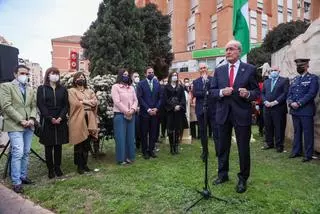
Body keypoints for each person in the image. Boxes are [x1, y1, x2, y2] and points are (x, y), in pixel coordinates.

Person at [210, 40, 260, 193]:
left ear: (239, 51)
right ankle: (222, 174)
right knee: (222, 146)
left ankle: (242, 179)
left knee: (243, 148)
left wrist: (248, 94)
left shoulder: (250, 69)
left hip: (242, 114)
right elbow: (212, 91)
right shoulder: (219, 70)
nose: (228, 52)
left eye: (231, 49)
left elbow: (257, 92)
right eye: (226, 50)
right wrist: (220, 92)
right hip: (223, 114)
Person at [0, 65, 37, 193]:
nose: (25, 76)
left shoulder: (30, 89)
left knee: (26, 152)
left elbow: (33, 106)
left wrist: (32, 118)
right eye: (22, 73)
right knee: (18, 152)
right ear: (15, 74)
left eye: (27, 74)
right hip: (15, 125)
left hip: (29, 125)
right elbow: (6, 106)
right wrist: (21, 120)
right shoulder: (6, 86)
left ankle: (23, 175)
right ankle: (16, 182)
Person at [37, 67, 69, 179]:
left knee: (58, 145)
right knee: (49, 146)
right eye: (52, 73)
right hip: (47, 120)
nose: (55, 75)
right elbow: (41, 105)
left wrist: (60, 117)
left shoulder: (63, 89)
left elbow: (66, 105)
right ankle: (50, 169)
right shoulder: (42, 89)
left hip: (60, 119)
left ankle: (57, 167)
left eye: (56, 73)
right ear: (48, 75)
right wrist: (50, 118)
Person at [287, 58, 319, 162]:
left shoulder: (313, 78)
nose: (299, 68)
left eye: (301, 66)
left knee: (308, 133)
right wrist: (291, 102)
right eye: (297, 66)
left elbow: (311, 93)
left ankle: (308, 154)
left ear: (307, 66)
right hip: (295, 110)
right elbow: (290, 93)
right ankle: (297, 151)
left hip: (306, 110)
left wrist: (299, 103)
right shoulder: (295, 79)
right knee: (297, 132)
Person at [68, 72, 99, 174]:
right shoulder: (71, 91)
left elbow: (95, 102)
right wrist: (88, 102)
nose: (81, 79)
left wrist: (84, 101)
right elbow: (75, 103)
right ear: (75, 79)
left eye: (83, 77)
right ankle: (79, 166)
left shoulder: (89, 90)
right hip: (78, 118)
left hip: (89, 117)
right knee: (79, 142)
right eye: (79, 77)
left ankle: (85, 164)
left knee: (87, 142)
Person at [111, 69, 138, 164]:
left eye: (127, 74)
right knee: (121, 138)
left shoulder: (131, 88)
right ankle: (121, 159)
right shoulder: (115, 87)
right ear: (120, 76)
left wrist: (133, 110)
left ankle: (130, 157)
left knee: (130, 137)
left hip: (131, 114)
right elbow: (117, 102)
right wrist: (126, 111)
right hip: (120, 115)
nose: (126, 76)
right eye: (124, 74)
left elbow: (135, 100)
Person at [193, 63, 218, 159]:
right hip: (201, 110)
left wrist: (206, 92)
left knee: (216, 131)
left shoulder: (213, 80)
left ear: (207, 69)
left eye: (204, 68)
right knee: (203, 132)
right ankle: (205, 151)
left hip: (213, 110)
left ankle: (218, 151)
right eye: (201, 68)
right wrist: (206, 92)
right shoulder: (196, 82)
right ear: (199, 70)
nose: (203, 69)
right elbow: (196, 93)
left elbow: (214, 92)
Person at [261, 66, 289, 153]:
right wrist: (265, 101)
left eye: (275, 70)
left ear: (279, 71)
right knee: (268, 126)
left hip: (279, 108)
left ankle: (279, 145)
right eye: (271, 70)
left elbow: (285, 93)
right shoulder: (266, 81)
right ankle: (269, 143)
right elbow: (262, 93)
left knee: (279, 127)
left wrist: (275, 102)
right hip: (267, 108)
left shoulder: (284, 80)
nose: (273, 71)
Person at [137, 66, 162, 159]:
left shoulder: (157, 84)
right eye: (149, 72)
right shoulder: (141, 84)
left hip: (155, 113)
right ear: (145, 74)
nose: (151, 74)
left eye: (152, 72)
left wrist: (156, 108)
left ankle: (151, 150)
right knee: (144, 133)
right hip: (145, 113)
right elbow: (140, 98)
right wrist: (148, 109)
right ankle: (144, 151)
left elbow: (160, 98)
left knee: (153, 132)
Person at [163, 71, 187, 154]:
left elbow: (183, 99)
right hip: (170, 111)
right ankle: (171, 147)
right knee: (170, 129)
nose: (174, 77)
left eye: (176, 75)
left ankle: (176, 146)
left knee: (178, 129)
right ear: (170, 77)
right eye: (173, 75)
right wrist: (173, 107)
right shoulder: (166, 87)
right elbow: (165, 99)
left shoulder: (180, 87)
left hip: (178, 111)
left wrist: (179, 106)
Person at [131, 72, 141, 150]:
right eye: (135, 76)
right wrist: (135, 107)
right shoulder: (130, 87)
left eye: (138, 76)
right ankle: (134, 143)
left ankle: (139, 143)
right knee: (134, 128)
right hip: (133, 110)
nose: (137, 78)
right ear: (132, 78)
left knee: (140, 128)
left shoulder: (141, 86)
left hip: (142, 110)